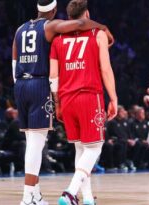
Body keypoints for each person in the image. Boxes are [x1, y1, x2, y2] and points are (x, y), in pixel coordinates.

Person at [11, 0, 114, 204]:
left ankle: (39, 195)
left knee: (42, 143)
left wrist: (20, 85)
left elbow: (14, 63)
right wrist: (103, 27)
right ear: (54, 10)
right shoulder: (51, 26)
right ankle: (30, 197)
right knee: (36, 144)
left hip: (22, 85)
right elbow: (79, 24)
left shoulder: (20, 29)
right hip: (44, 85)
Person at [49, 0, 117, 204]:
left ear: (69, 18)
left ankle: (87, 198)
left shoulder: (57, 39)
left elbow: (53, 77)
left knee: (81, 149)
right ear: (87, 14)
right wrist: (113, 97)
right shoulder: (98, 34)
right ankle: (70, 193)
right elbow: (105, 69)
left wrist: (58, 102)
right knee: (95, 148)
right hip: (89, 96)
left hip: (67, 98)